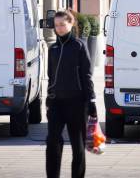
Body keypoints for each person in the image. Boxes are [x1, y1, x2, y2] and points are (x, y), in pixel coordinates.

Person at [46, 10, 97, 178]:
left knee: (78, 145)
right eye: (56, 25)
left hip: (77, 103)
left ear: (71, 24)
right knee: (52, 141)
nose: (59, 28)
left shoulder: (79, 46)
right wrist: (49, 97)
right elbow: (51, 76)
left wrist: (92, 101)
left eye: (62, 24)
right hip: (56, 103)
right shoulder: (53, 48)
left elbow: (86, 75)